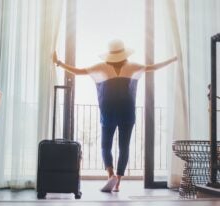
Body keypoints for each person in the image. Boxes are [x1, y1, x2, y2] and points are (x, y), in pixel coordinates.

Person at [52, 39, 177, 192]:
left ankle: (110, 174)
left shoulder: (101, 66)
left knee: (106, 146)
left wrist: (58, 62)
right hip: (127, 112)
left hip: (108, 111)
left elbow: (78, 71)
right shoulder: (132, 66)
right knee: (124, 147)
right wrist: (174, 58)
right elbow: (154, 67)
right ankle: (117, 182)